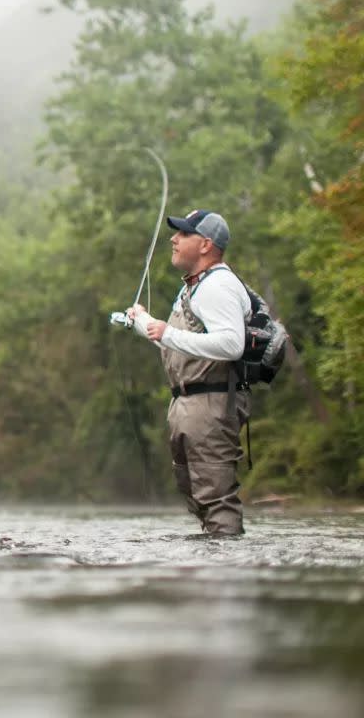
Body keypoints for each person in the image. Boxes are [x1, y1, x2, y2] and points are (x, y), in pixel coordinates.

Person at [127, 209, 252, 536]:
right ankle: (213, 563)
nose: (174, 238)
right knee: (196, 494)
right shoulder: (194, 288)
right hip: (188, 403)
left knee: (216, 498)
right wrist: (144, 323)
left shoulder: (218, 285)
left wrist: (166, 333)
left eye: (183, 234)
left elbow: (232, 344)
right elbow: (183, 345)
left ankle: (226, 574)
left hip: (211, 403)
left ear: (206, 245)